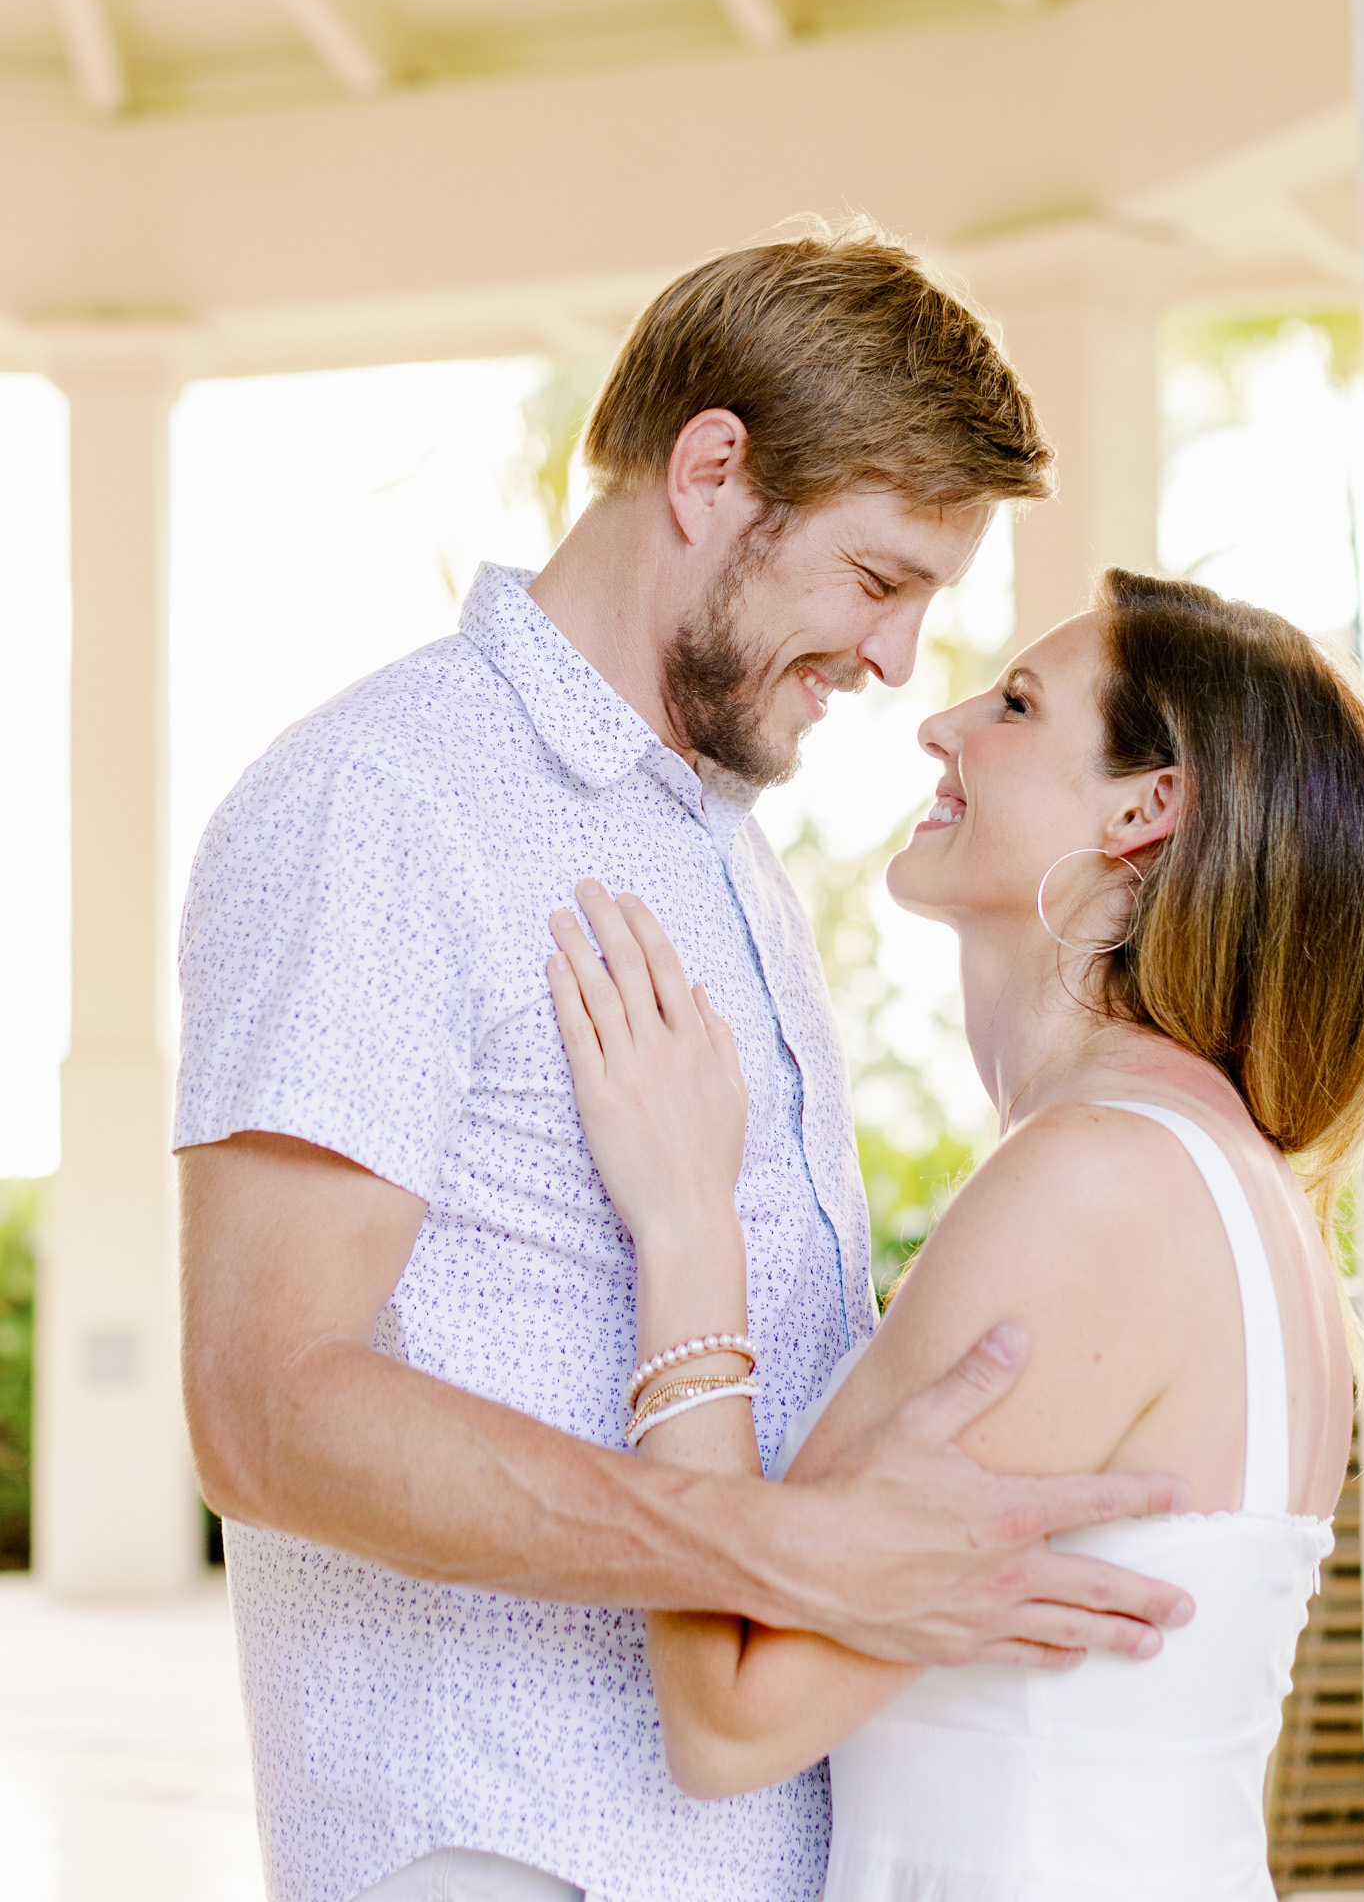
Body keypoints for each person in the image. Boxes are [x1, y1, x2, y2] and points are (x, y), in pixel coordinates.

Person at [175, 224, 1195, 1902]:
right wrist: (793, 1553)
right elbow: (262, 1406)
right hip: (502, 1853)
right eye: (878, 582)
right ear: (713, 471)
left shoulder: (718, 841)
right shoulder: (382, 803)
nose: (892, 662)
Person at [547, 567, 1364, 1902]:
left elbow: (732, 1713)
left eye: (1015, 703)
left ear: (1146, 808)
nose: (939, 724)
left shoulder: (1101, 1187)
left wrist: (683, 1231)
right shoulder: (1218, 1184)